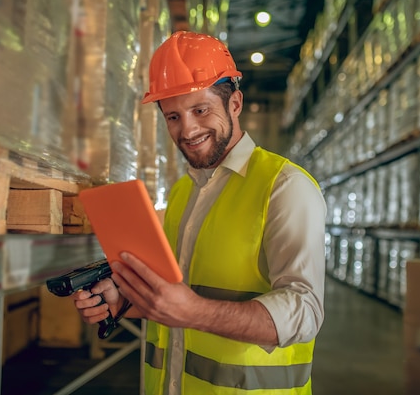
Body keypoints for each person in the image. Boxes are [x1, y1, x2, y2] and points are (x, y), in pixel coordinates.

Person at [72, 31, 327, 395]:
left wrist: (195, 312)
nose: (187, 130)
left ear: (235, 104)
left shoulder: (285, 187)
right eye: (173, 116)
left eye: (200, 110)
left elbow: (305, 313)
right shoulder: (182, 193)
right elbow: (177, 300)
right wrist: (126, 303)